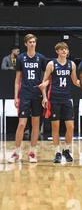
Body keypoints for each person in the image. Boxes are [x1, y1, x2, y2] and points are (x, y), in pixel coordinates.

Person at [40, 42, 82, 163]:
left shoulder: (71, 64)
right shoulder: (52, 64)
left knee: (70, 127)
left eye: (65, 49)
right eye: (61, 49)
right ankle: (57, 152)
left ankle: (66, 150)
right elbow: (44, 82)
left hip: (67, 99)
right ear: (57, 51)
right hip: (54, 99)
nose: (64, 51)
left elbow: (75, 81)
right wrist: (44, 97)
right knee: (55, 127)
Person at [8, 34, 47, 163]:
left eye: (34, 42)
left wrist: (44, 91)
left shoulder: (41, 58)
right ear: (25, 44)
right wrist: (15, 97)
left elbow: (47, 76)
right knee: (21, 124)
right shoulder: (21, 58)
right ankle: (16, 152)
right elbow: (17, 79)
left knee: (35, 125)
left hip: (37, 95)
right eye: (30, 42)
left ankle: (32, 152)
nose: (32, 44)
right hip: (24, 95)